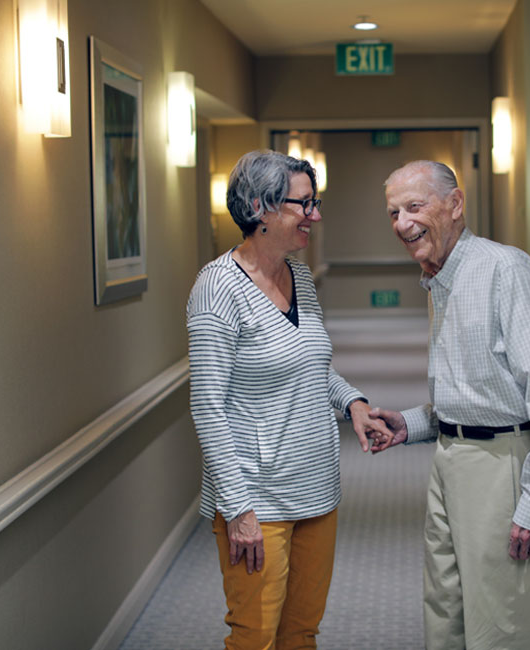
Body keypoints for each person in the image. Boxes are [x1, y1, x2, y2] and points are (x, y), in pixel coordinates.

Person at [186, 150, 391, 649]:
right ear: (260, 208)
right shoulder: (217, 290)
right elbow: (207, 407)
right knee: (255, 636)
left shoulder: (298, 277)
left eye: (314, 202)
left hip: (317, 490)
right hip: (257, 499)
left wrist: (354, 405)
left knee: (301, 632)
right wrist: (238, 509)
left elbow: (312, 366)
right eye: (304, 204)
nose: (315, 216)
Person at [371, 160, 530, 649]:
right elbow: (474, 390)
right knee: (445, 611)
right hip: (450, 461)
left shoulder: (505, 271)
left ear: (456, 204)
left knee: (501, 624)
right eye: (393, 213)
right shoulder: (438, 277)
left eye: (414, 207)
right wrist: (412, 424)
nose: (402, 223)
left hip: (499, 465)